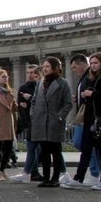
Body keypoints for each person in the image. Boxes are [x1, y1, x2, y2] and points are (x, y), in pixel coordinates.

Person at [63, 52, 101, 190]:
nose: (93, 66)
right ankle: (78, 178)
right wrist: (83, 97)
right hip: (90, 120)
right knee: (86, 150)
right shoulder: (91, 78)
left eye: (96, 63)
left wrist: (92, 94)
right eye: (92, 63)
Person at [29, 57, 73, 187]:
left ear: (55, 68)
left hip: (54, 122)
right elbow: (34, 101)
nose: (44, 69)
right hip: (41, 121)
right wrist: (33, 114)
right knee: (45, 152)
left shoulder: (63, 83)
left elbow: (68, 103)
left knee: (56, 151)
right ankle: (46, 178)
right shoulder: (40, 83)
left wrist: (59, 117)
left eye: (47, 66)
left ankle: (55, 179)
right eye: (44, 66)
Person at [10, 65, 43, 183]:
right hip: (30, 122)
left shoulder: (41, 86)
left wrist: (29, 100)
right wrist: (26, 123)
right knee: (32, 147)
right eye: (28, 72)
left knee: (39, 149)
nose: (30, 74)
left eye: (32, 72)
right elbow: (21, 108)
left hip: (41, 120)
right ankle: (32, 172)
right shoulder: (23, 88)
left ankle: (31, 172)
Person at [0, 69, 18, 181]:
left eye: (6, 76)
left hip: (7, 123)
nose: (6, 78)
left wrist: (20, 105)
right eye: (3, 76)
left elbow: (14, 107)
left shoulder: (9, 92)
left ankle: (2, 170)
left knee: (8, 148)